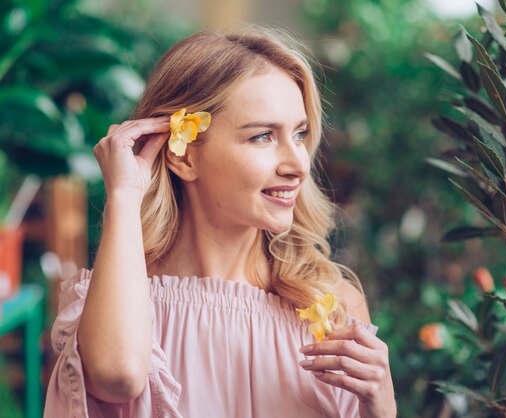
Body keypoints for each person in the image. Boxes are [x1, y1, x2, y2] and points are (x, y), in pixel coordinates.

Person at [44, 29, 396, 418]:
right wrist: (125, 195)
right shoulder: (117, 303)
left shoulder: (331, 306)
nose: (298, 164)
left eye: (300, 134)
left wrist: (381, 408)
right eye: (263, 136)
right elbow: (117, 376)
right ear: (185, 156)